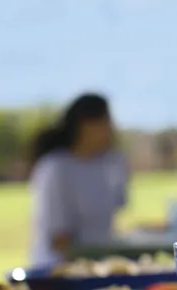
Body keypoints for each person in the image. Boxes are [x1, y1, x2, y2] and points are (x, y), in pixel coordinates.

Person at [29, 93, 129, 266]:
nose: (111, 129)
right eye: (105, 122)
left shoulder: (109, 164)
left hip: (98, 266)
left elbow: (115, 208)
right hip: (59, 270)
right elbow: (59, 239)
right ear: (85, 125)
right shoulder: (55, 168)